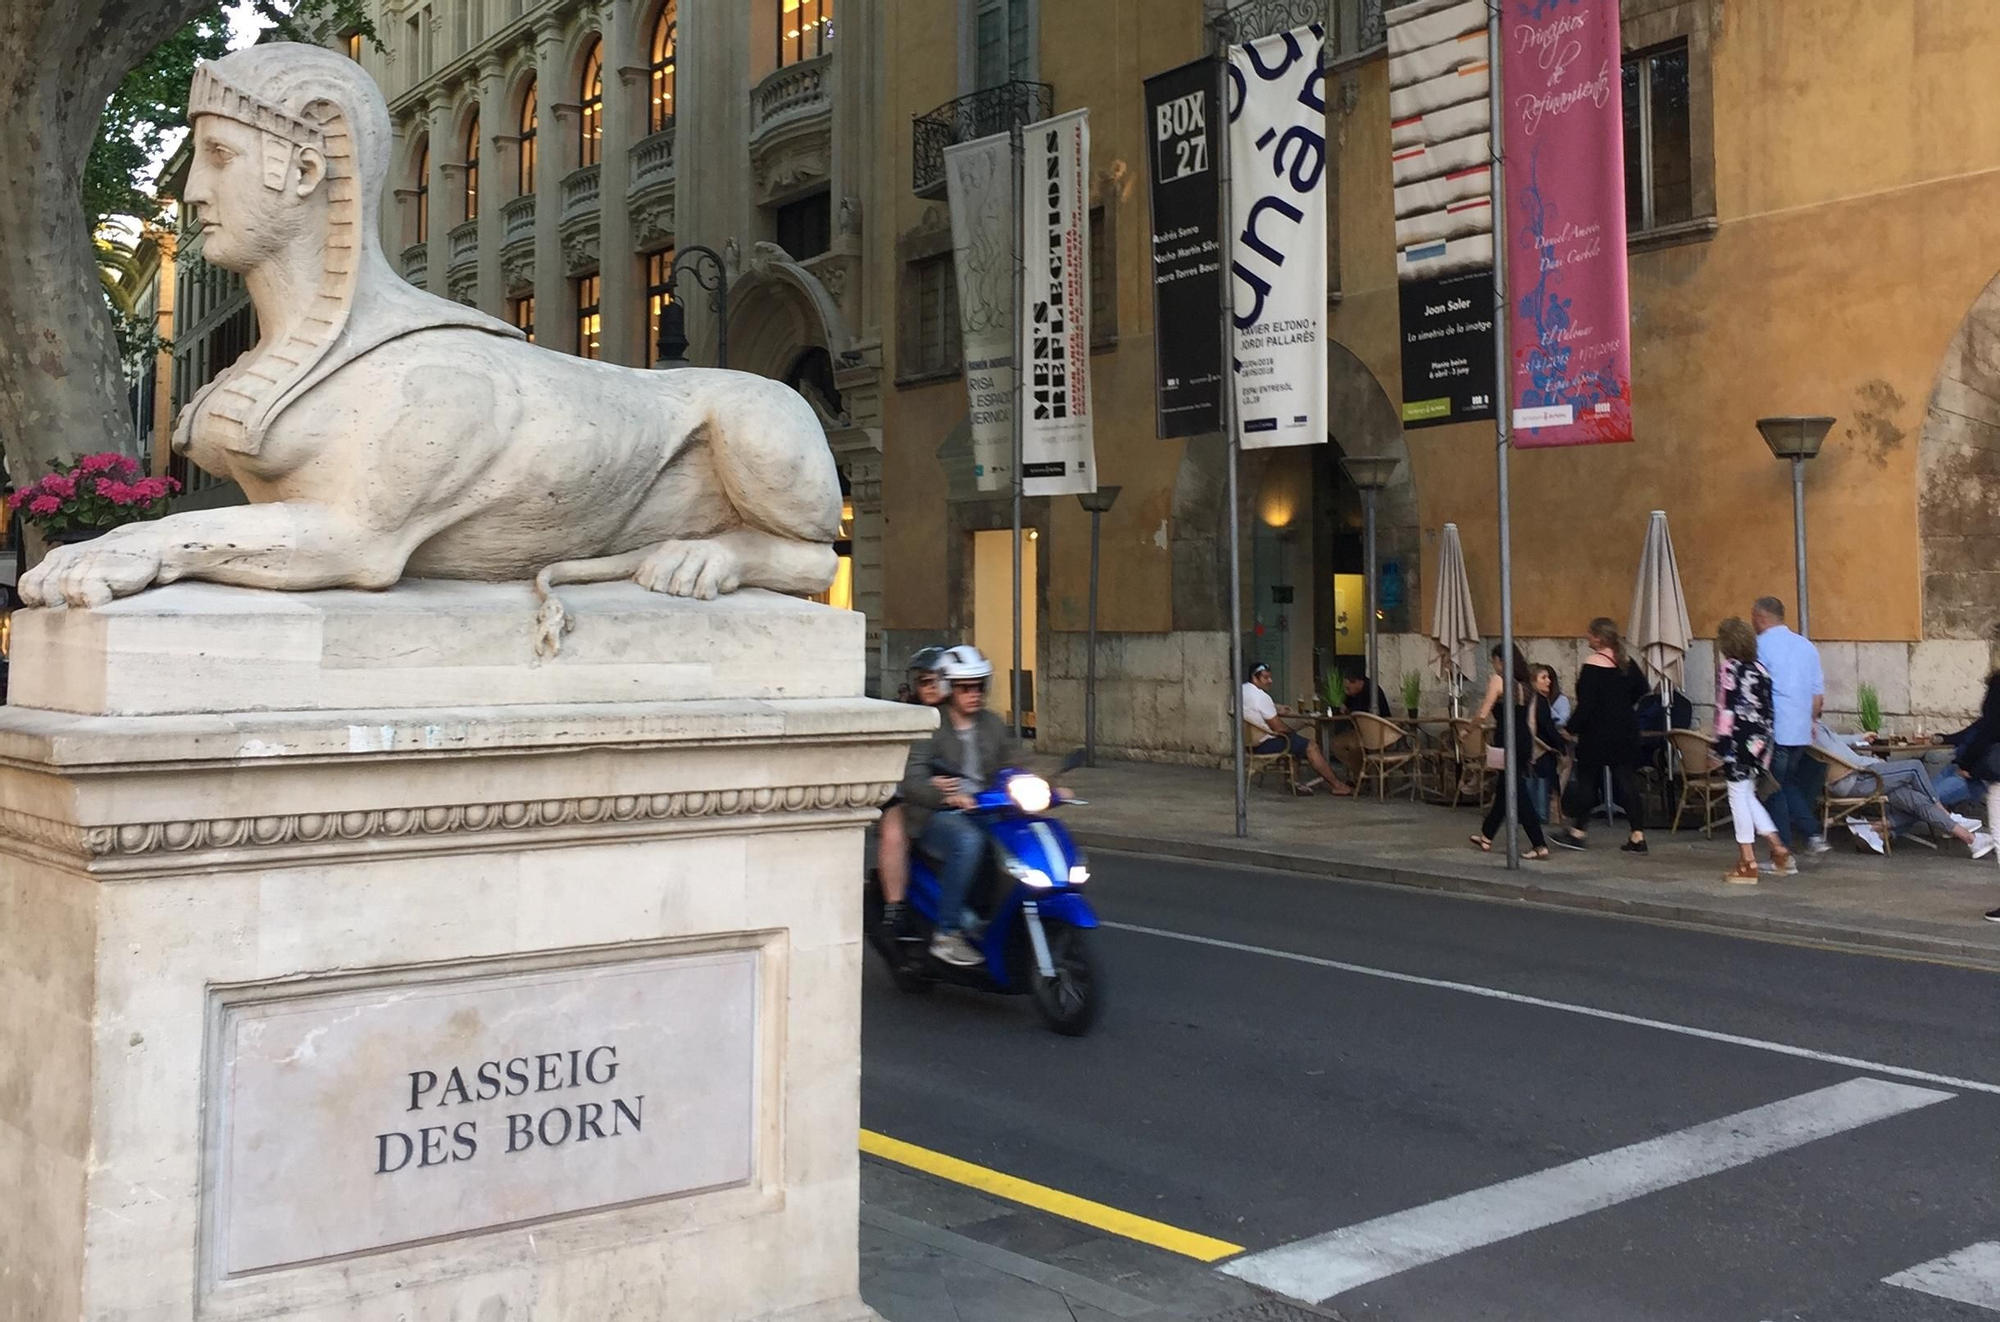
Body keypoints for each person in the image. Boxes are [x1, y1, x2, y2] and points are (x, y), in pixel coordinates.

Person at [897, 645, 1024, 967]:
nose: (974, 694)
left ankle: (1005, 919)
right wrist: (944, 796)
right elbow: (912, 780)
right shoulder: (930, 725)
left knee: (1023, 839)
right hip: (937, 814)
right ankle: (947, 934)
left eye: (979, 686)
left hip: (987, 808)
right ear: (949, 688)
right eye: (965, 687)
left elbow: (1014, 763)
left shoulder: (993, 724)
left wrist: (1043, 786)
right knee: (969, 840)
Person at [1812, 722, 1994, 856]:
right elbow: (1841, 755)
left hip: (1860, 774)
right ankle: (1946, 814)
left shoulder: (1817, 726)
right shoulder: (1812, 729)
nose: (1822, 698)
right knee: (1914, 767)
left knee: (1915, 799)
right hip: (1858, 777)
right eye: (1817, 696)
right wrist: (1874, 762)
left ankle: (1972, 840)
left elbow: (1837, 740)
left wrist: (1859, 738)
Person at [1550, 618, 1649, 853]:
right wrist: (1622, 706)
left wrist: (1570, 728)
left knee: (1588, 781)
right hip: (1625, 730)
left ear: (1598, 637)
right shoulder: (1627, 663)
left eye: (1590, 633)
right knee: (1626, 781)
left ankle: (1578, 832)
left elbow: (1586, 706)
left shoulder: (1592, 666)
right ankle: (1637, 834)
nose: (1587, 636)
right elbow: (1642, 690)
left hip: (1596, 733)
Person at [1712, 617, 1791, 882]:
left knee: (1737, 797)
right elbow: (1769, 710)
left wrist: (1719, 747)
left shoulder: (1730, 668)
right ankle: (1777, 846)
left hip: (1737, 741)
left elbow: (1726, 709)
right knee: (1747, 795)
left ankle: (1747, 861)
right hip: (1759, 742)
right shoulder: (1761, 669)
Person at [877, 647, 947, 938]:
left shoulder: (960, 715)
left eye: (936, 681)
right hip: (906, 792)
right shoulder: (904, 713)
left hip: (954, 795)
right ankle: (895, 906)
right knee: (894, 830)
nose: (930, 687)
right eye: (923, 681)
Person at [1753, 596, 1828, 855]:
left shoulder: (1760, 646)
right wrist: (1812, 721)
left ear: (1760, 618)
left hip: (1776, 730)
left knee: (1772, 788)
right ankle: (1813, 834)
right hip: (1801, 731)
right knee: (1787, 784)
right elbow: (1818, 696)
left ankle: (1782, 850)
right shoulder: (1806, 646)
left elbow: (1756, 691)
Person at [1470, 644, 1551, 859]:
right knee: (1505, 788)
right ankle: (1487, 835)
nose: (1494, 666)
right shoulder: (1527, 686)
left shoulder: (1498, 681)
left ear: (1500, 661)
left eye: (1494, 661)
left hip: (1506, 739)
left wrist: (1468, 730)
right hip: (1524, 739)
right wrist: (1532, 751)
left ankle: (1539, 843)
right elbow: (1531, 722)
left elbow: (1483, 712)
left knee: (1516, 791)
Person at [1241, 662, 1353, 796]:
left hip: (1248, 743)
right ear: (1254, 678)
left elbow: (1254, 709)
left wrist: (1276, 709)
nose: (1270, 681)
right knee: (1310, 745)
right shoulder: (1261, 697)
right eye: (1265, 678)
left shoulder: (1241, 690)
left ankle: (1294, 782)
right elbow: (1278, 728)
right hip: (1264, 744)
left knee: (1296, 743)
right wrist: (1292, 733)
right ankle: (1337, 785)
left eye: (1270, 677)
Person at [1329, 671, 1390, 781]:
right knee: (1335, 744)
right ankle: (1360, 773)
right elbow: (1346, 706)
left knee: (1354, 746)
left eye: (1348, 688)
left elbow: (1362, 712)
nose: (1346, 691)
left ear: (1358, 683)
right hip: (1359, 730)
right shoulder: (1353, 694)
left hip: (1379, 731)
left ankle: (1362, 776)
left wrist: (1347, 710)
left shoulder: (1372, 691)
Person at [1528, 664, 1570, 824]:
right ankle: (1551, 810)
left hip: (1535, 747)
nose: (1548, 681)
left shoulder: (1531, 699)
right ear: (1534, 681)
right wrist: (1560, 747)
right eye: (1543, 678)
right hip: (1542, 749)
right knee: (1558, 768)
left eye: (1549, 678)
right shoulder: (1540, 701)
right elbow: (1548, 727)